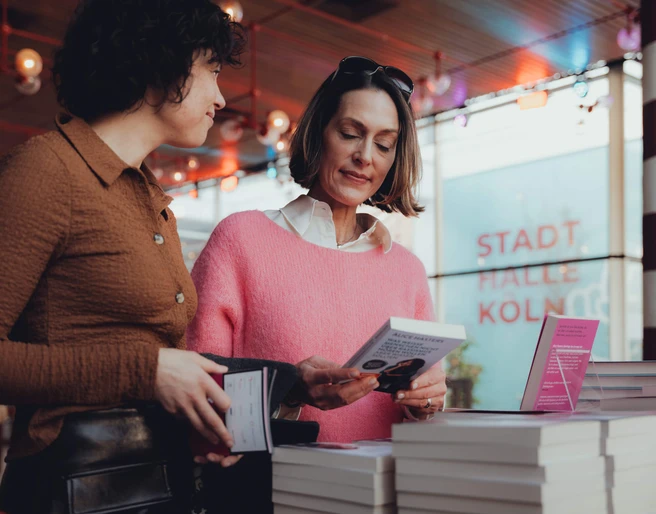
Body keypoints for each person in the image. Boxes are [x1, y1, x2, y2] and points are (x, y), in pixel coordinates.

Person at [0, 0, 245, 511]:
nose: (221, 97)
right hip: (74, 484)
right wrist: (145, 371)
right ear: (161, 65)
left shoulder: (150, 199)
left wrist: (293, 381)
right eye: (212, 71)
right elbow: (147, 365)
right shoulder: (48, 170)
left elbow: (158, 359)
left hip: (158, 475)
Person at [187, 56, 447, 443]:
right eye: (349, 133)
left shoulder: (406, 269)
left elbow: (424, 398)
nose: (365, 156)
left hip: (384, 492)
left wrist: (426, 401)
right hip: (270, 489)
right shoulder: (241, 239)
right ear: (318, 132)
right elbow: (197, 386)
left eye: (384, 144)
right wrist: (292, 392)